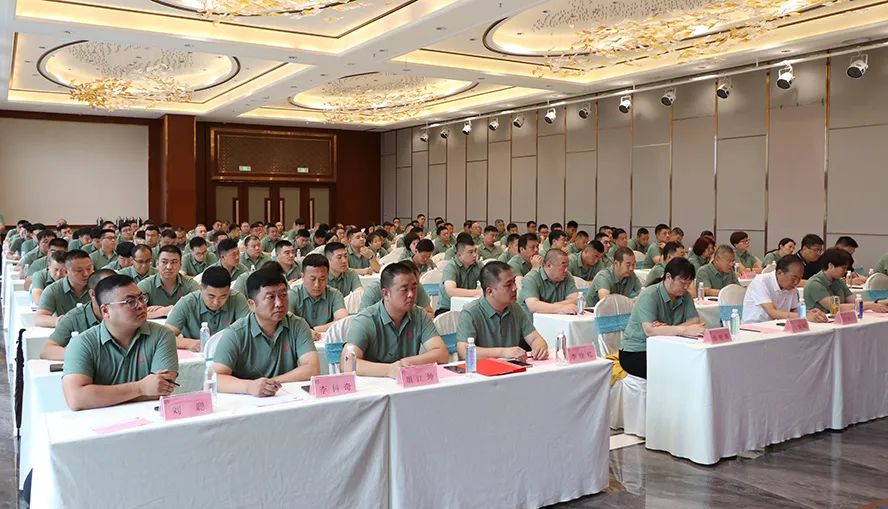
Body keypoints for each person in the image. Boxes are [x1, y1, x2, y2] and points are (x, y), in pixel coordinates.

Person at [61, 274, 179, 411]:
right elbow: (76, 398)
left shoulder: (162, 335)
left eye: (141, 298)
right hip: (98, 420)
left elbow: (160, 389)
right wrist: (141, 388)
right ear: (106, 310)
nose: (141, 305)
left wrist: (98, 396)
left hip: (148, 416)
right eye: (130, 301)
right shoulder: (82, 344)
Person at [213, 270, 320, 396]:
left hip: (286, 397)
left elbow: (312, 368)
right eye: (270, 297)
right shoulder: (235, 333)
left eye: (283, 295)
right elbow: (216, 378)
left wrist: (270, 383)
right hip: (246, 400)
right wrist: (250, 386)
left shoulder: (298, 325)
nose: (279, 303)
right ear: (252, 304)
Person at [343, 262, 448, 377]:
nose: (411, 294)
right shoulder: (365, 320)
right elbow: (347, 363)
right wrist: (389, 370)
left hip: (407, 381)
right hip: (374, 383)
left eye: (414, 288)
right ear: (386, 293)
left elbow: (441, 353)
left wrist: (405, 363)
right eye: (404, 290)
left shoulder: (419, 315)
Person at [619, 258, 703, 379]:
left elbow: (694, 321)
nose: (686, 287)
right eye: (683, 283)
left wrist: (667, 329)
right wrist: (684, 330)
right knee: (676, 371)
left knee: (696, 364)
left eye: (689, 283)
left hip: (666, 348)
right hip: (637, 351)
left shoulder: (685, 296)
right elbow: (650, 330)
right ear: (668, 277)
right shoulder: (649, 295)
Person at [456, 261, 549, 361]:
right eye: (508, 285)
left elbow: (535, 338)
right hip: (482, 369)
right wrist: (503, 352)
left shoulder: (515, 308)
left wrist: (539, 348)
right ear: (490, 291)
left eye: (514, 282)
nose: (514, 288)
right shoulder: (470, 313)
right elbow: (464, 352)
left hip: (512, 367)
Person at [165, 266, 250, 352]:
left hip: (230, 352)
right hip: (196, 355)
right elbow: (164, 337)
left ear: (229, 291)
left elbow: (249, 332)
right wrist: (190, 343)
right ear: (201, 289)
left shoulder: (237, 299)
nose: (216, 302)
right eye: (211, 296)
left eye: (223, 296)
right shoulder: (187, 302)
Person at [41, 269, 117, 361]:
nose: (115, 295)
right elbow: (46, 350)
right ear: (93, 294)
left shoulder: (128, 314)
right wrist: (83, 354)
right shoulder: (74, 317)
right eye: (109, 290)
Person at [742, 256, 828, 324]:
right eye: (794, 278)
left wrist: (809, 313)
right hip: (754, 328)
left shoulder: (791, 287)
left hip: (777, 327)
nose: (796, 282)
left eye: (799, 278)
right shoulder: (761, 281)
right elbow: (773, 313)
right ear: (780, 273)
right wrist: (804, 316)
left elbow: (794, 310)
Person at [804, 248, 888, 314]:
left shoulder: (838, 281)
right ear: (831, 265)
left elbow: (854, 301)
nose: (845, 271)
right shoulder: (815, 284)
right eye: (843, 268)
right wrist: (870, 305)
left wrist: (879, 302)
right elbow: (836, 308)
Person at [287, 254, 348, 336]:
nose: (317, 285)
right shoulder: (292, 295)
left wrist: (313, 330)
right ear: (302, 277)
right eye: (312, 279)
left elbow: (342, 321)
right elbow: (286, 323)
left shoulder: (334, 294)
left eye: (322, 279)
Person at [36, 250, 94, 327]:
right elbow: (39, 318)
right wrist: (59, 321)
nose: (86, 274)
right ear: (66, 272)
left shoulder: (99, 286)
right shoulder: (53, 290)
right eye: (79, 270)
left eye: (89, 269)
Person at [137, 245, 199, 318]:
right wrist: (163, 311)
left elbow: (197, 311)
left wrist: (169, 310)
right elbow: (135, 314)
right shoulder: (145, 285)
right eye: (164, 262)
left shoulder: (191, 285)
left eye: (174, 262)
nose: (169, 267)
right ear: (157, 264)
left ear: (180, 265)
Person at [518, 249, 580, 315]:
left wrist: (550, 307)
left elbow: (575, 299)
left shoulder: (566, 276)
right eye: (563, 266)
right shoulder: (531, 278)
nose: (566, 270)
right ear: (549, 265)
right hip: (533, 321)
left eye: (567, 266)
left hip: (557, 320)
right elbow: (533, 306)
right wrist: (560, 308)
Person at [359, 260, 433, 314]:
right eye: (404, 289)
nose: (411, 294)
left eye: (414, 285)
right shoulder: (373, 291)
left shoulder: (417, 286)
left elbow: (429, 312)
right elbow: (362, 320)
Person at [437, 237, 482, 315]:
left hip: (467, 307)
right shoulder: (450, 267)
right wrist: (478, 292)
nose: (475, 255)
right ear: (459, 254)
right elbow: (451, 291)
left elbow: (490, 282)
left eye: (475, 251)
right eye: (470, 252)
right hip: (447, 309)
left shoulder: (478, 265)